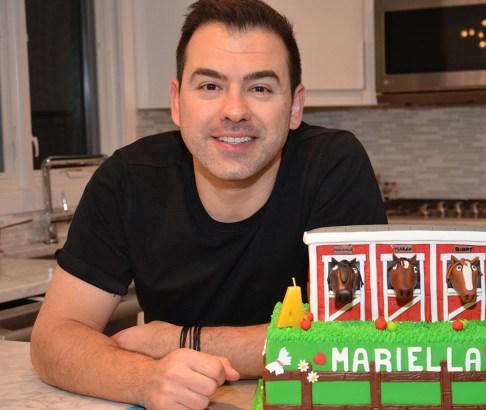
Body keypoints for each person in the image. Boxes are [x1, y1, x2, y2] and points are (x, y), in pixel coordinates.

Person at [30, 0, 387, 408]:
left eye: (260, 88)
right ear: (177, 102)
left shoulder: (332, 166)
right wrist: (144, 379)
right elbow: (53, 336)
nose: (234, 111)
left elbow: (362, 340)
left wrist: (180, 340)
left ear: (295, 106)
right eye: (210, 86)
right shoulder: (128, 180)